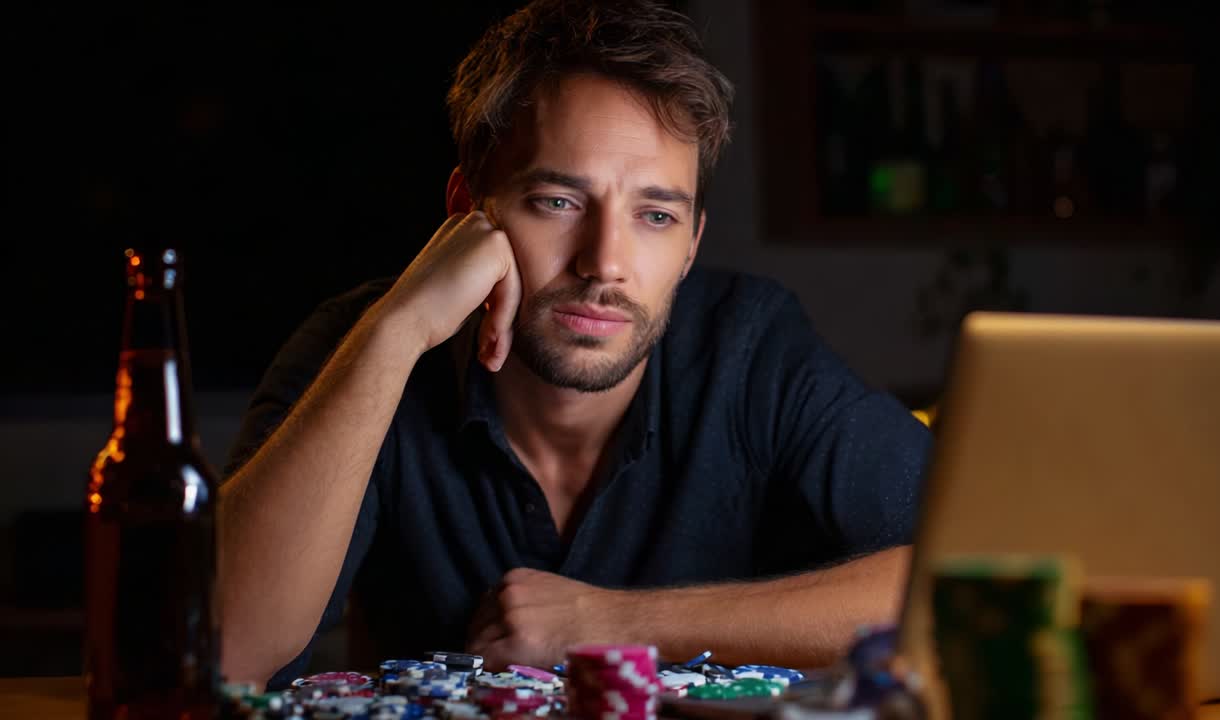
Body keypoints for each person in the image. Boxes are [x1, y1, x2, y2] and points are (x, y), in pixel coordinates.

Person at [217, 0, 932, 691]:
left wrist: (617, 622)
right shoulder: (362, 345)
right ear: (468, 209)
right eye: (558, 201)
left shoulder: (751, 347)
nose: (605, 262)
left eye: (655, 215)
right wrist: (398, 332)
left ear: (691, 246)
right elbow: (217, 652)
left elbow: (971, 572)